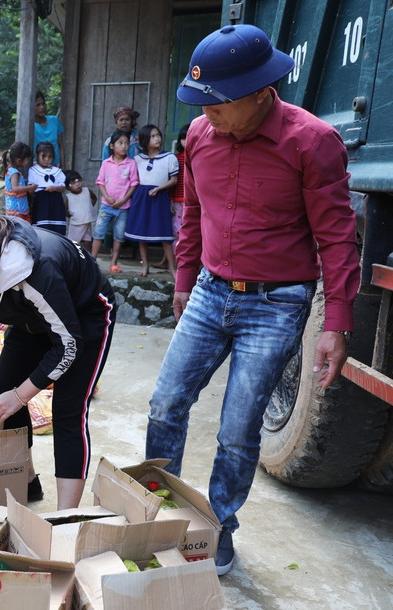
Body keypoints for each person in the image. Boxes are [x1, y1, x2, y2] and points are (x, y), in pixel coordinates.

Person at [145, 24, 359, 576]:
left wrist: (336, 322)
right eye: (200, 102)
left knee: (239, 428)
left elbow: (337, 237)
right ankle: (151, 509)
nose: (205, 112)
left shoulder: (311, 142)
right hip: (210, 290)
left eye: (216, 102)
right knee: (166, 402)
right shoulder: (197, 136)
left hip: (276, 303)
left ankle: (218, 530)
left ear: (262, 91)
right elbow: (191, 212)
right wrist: (184, 279)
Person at [0, 212, 116, 509]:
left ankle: (65, 517)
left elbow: (68, 345)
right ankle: (26, 480)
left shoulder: (37, 269)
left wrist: (22, 396)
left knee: (68, 409)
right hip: (31, 319)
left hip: (84, 316)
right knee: (3, 391)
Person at [124, 124, 178, 277]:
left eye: (158, 135)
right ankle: (145, 265)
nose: (157, 139)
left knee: (165, 234)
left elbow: (174, 180)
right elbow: (132, 179)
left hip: (159, 197)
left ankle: (172, 268)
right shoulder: (137, 159)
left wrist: (159, 189)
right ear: (144, 140)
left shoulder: (169, 157)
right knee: (142, 233)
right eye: (153, 136)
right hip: (141, 197)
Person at [91, 130, 138, 273]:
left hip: (123, 207)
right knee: (99, 232)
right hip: (106, 205)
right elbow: (100, 182)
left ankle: (114, 262)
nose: (124, 146)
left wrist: (124, 199)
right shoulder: (106, 163)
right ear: (112, 146)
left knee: (119, 235)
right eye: (120, 143)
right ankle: (93, 261)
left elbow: (134, 184)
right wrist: (107, 197)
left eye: (126, 143)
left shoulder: (131, 164)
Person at [154, 123, 189, 270]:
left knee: (188, 233)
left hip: (193, 203)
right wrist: (170, 201)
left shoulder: (202, 158)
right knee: (175, 232)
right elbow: (172, 182)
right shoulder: (175, 158)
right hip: (177, 201)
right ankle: (171, 262)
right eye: (183, 138)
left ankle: (183, 263)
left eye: (189, 137)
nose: (186, 141)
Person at [27, 142, 67, 234]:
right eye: (44, 156)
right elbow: (30, 187)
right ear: (36, 156)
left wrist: (55, 188)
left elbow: (62, 187)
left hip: (55, 202)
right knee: (42, 228)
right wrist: (31, 190)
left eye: (50, 157)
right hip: (41, 202)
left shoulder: (57, 171)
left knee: (56, 230)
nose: (47, 159)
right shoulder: (33, 170)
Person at [4, 141, 36, 223]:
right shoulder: (14, 173)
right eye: (27, 159)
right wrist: (30, 187)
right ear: (18, 160)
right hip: (18, 211)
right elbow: (15, 188)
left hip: (14, 210)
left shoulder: (10, 170)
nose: (28, 162)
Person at [64, 171, 96, 249]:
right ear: (68, 187)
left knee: (88, 240)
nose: (77, 184)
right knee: (73, 243)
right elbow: (65, 211)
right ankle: (72, 257)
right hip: (76, 224)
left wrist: (88, 208)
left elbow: (94, 198)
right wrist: (73, 215)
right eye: (73, 183)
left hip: (87, 221)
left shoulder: (87, 191)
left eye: (78, 181)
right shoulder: (68, 197)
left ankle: (88, 257)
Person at [33, 90, 65, 167]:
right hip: (37, 166)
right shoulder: (30, 127)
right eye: (38, 105)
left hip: (55, 165)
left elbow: (61, 146)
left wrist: (63, 167)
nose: (42, 107)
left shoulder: (55, 121)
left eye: (43, 103)